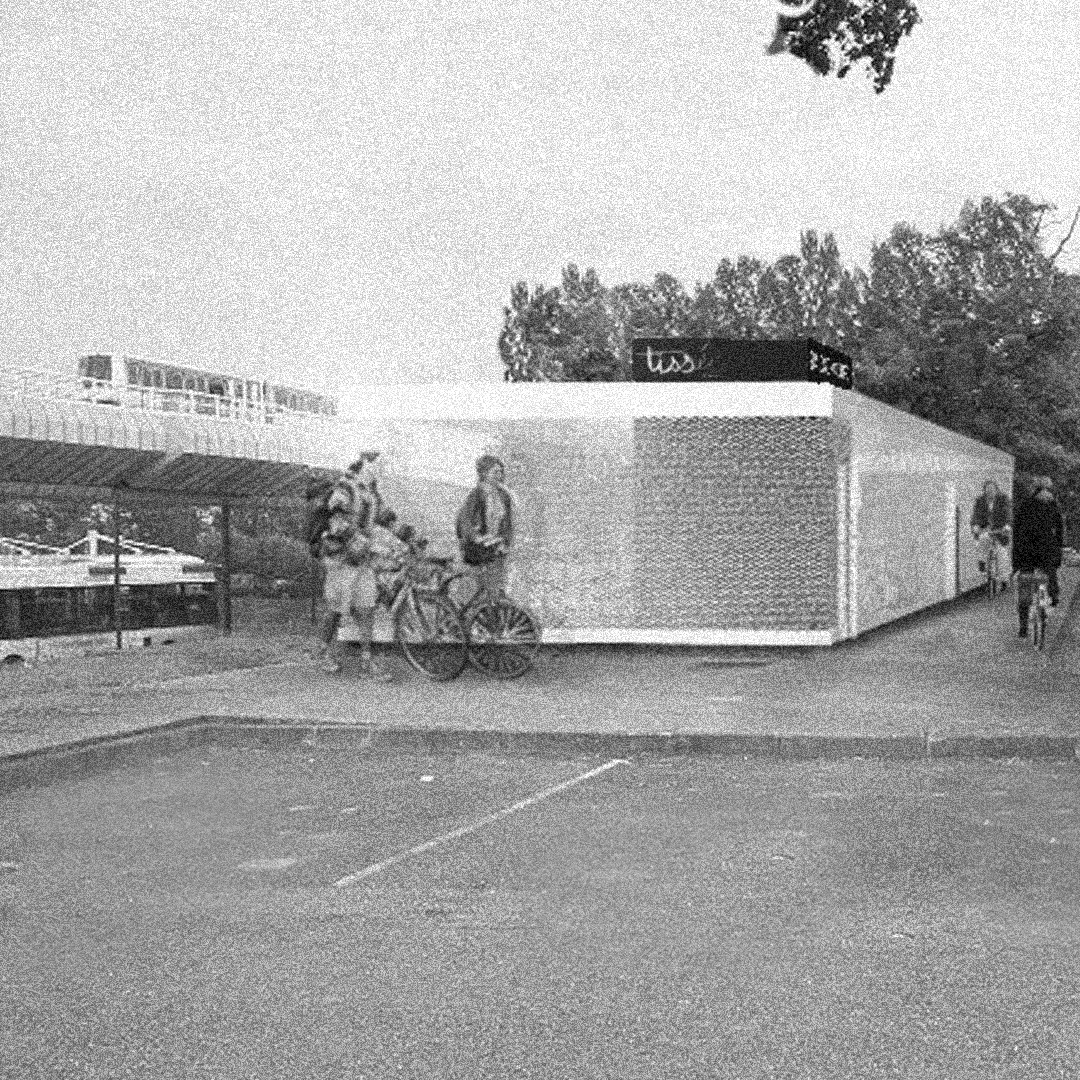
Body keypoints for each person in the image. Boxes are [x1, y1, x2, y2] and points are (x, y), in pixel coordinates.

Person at [315, 452, 409, 679]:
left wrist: (411, 538)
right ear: (366, 463)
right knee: (335, 610)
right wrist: (363, 543)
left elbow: (388, 519)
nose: (382, 468)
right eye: (379, 464)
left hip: (362, 560)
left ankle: (367, 661)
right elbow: (336, 523)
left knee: (366, 609)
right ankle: (324, 651)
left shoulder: (372, 493)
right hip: (340, 560)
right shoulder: (345, 488)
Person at [455, 454, 515, 603]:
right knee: (473, 590)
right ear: (484, 473)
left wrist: (505, 542)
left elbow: (507, 525)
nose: (499, 475)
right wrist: (477, 538)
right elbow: (463, 521)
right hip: (477, 549)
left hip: (496, 549)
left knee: (495, 590)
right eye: (495, 472)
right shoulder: (476, 495)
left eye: (501, 472)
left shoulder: (504, 496)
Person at [1012, 475, 1065, 637]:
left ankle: (1023, 627)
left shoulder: (1025, 504)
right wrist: (1058, 551)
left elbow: (1017, 530)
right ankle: (1053, 595)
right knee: (1049, 577)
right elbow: (1059, 530)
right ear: (1048, 489)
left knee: (1025, 588)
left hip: (1026, 552)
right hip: (1046, 551)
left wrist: (1015, 562)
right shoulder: (1053, 504)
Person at [971, 479, 1012, 590]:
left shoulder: (1003, 499)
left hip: (1000, 530)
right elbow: (975, 515)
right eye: (987, 490)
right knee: (981, 541)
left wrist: (1007, 526)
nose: (990, 492)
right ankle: (983, 563)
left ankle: (1004, 580)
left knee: (1002, 555)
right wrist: (975, 526)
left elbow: (1008, 513)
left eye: (992, 490)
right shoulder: (980, 501)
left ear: (996, 490)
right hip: (986, 530)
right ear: (984, 491)